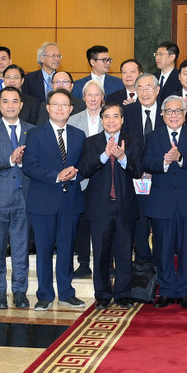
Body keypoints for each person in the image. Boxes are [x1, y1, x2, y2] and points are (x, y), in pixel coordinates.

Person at [22, 88, 86, 311]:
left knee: (67, 250)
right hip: (43, 201)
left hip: (70, 201)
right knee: (44, 250)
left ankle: (67, 293)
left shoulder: (79, 135)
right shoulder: (35, 134)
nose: (60, 108)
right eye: (55, 104)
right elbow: (29, 166)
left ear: (71, 109)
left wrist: (75, 173)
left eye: (64, 105)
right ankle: (44, 294)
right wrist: (57, 176)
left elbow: (83, 165)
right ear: (48, 108)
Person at [143, 96, 187, 309]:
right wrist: (164, 161)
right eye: (169, 111)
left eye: (177, 111)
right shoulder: (153, 136)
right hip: (162, 202)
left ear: (185, 114)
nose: (173, 115)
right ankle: (166, 290)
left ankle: (184, 292)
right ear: (162, 114)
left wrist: (180, 157)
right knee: (163, 249)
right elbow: (146, 162)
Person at [78, 103, 142, 310]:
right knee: (101, 254)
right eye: (107, 116)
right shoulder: (91, 142)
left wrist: (123, 158)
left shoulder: (133, 141)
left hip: (125, 206)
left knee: (124, 253)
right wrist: (104, 156)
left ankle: (123, 294)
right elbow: (84, 170)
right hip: (100, 207)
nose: (111, 120)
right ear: (101, 120)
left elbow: (137, 171)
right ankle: (103, 295)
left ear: (122, 120)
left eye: (115, 116)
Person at [0, 87, 35, 310]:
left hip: (24, 197)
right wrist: (10, 160)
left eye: (14, 101)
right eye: (6, 101)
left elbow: (37, 163)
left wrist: (23, 162)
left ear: (21, 105)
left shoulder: (32, 131)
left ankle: (20, 292)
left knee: (21, 247)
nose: (10, 105)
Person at [122, 73, 166, 263]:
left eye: (149, 87)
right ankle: (141, 261)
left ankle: (160, 260)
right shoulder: (128, 113)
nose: (145, 92)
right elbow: (125, 144)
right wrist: (139, 169)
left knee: (161, 221)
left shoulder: (168, 110)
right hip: (136, 177)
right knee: (139, 221)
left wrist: (154, 167)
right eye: (140, 88)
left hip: (162, 176)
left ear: (157, 90)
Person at [67, 80, 105, 279]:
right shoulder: (73, 120)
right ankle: (83, 264)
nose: (93, 98)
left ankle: (105, 263)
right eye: (89, 95)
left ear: (102, 97)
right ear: (83, 98)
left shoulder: (111, 117)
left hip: (105, 179)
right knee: (82, 223)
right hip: (81, 178)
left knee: (105, 224)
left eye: (96, 94)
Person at [154, 41, 181, 105]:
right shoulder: (153, 77)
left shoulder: (180, 78)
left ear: (172, 57)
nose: (157, 58)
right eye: (156, 54)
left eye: (161, 54)